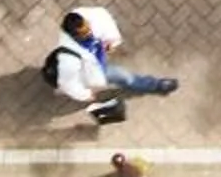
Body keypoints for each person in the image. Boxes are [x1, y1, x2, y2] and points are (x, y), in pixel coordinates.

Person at [48, 6, 179, 104]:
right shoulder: (69, 56)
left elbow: (111, 33)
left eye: (87, 29)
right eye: (83, 34)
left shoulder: (95, 16)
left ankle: (154, 85)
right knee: (125, 77)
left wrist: (111, 44)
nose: (88, 33)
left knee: (122, 76)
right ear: (73, 36)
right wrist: (84, 95)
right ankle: (156, 85)